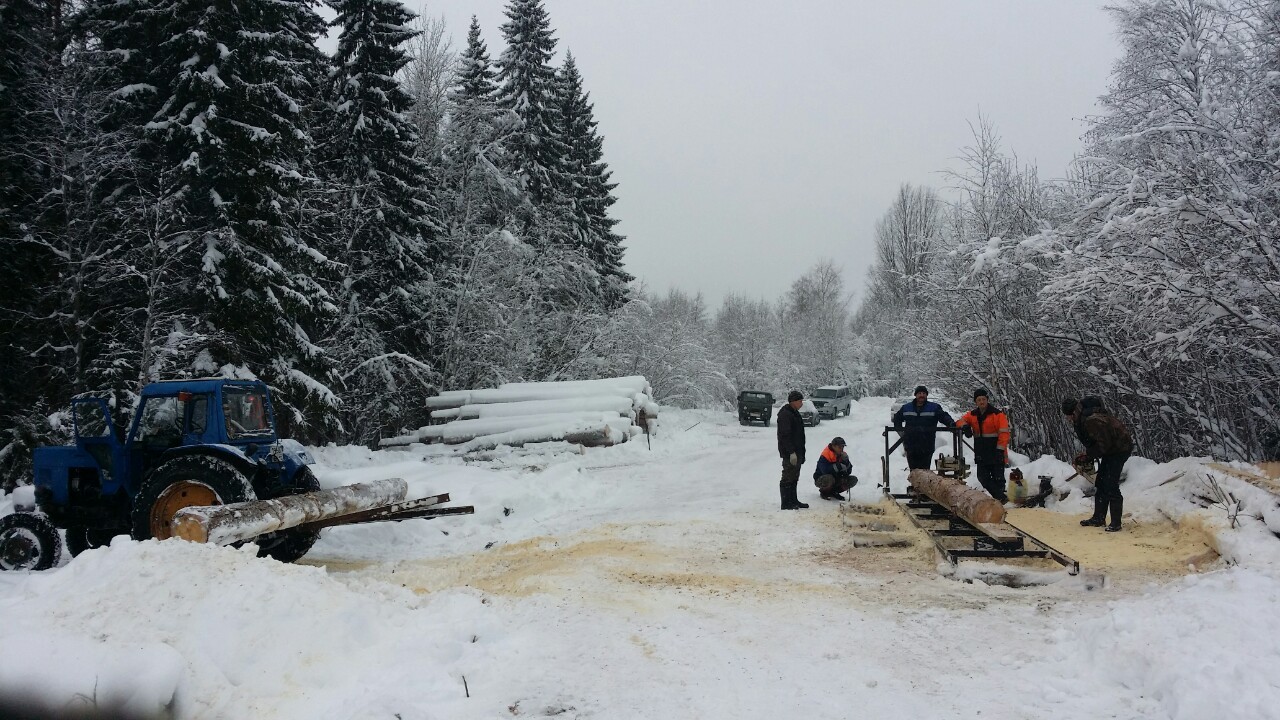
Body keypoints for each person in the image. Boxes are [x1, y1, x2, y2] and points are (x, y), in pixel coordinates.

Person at [1063, 396, 1133, 531]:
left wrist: (1088, 455)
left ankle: (1116, 523)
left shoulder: (1091, 420)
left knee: (1110, 484)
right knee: (1101, 482)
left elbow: (1104, 444)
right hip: (1112, 449)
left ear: (1073, 413)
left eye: (1068, 417)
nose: (1068, 420)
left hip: (1120, 449)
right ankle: (1098, 518)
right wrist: (1088, 454)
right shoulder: (1084, 416)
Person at [955, 388, 1011, 503]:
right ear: (975, 402)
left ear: (987, 400)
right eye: (979, 400)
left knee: (998, 478)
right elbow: (959, 421)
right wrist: (965, 427)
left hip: (996, 451)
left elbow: (1004, 433)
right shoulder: (972, 415)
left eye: (983, 399)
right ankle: (1000, 498)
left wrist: (1000, 450)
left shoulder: (997, 415)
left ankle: (1000, 501)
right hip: (981, 452)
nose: (981, 402)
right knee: (983, 477)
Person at [892, 385, 956, 471]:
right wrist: (901, 433)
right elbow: (897, 419)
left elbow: (943, 416)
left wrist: (951, 423)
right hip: (910, 444)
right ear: (915, 395)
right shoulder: (907, 407)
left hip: (927, 444)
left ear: (926, 395)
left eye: (923, 393)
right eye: (919, 393)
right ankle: (914, 484)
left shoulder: (934, 407)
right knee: (913, 470)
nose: (921, 395)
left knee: (925, 470)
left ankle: (923, 484)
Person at [776, 390, 809, 510]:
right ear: (793, 401)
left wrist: (801, 453)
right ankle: (786, 503)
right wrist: (791, 452)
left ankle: (793, 500)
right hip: (790, 452)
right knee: (787, 476)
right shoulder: (785, 414)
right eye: (800, 401)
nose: (801, 403)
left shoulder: (795, 413)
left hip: (798, 451)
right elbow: (785, 435)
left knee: (794, 476)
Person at [814, 436, 858, 501]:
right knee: (829, 478)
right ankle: (824, 492)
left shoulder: (843, 455)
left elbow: (849, 471)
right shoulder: (825, 455)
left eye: (843, 447)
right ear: (833, 446)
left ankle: (834, 492)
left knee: (853, 480)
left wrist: (846, 462)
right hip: (821, 478)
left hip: (836, 478)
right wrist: (838, 466)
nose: (841, 449)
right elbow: (825, 470)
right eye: (839, 447)